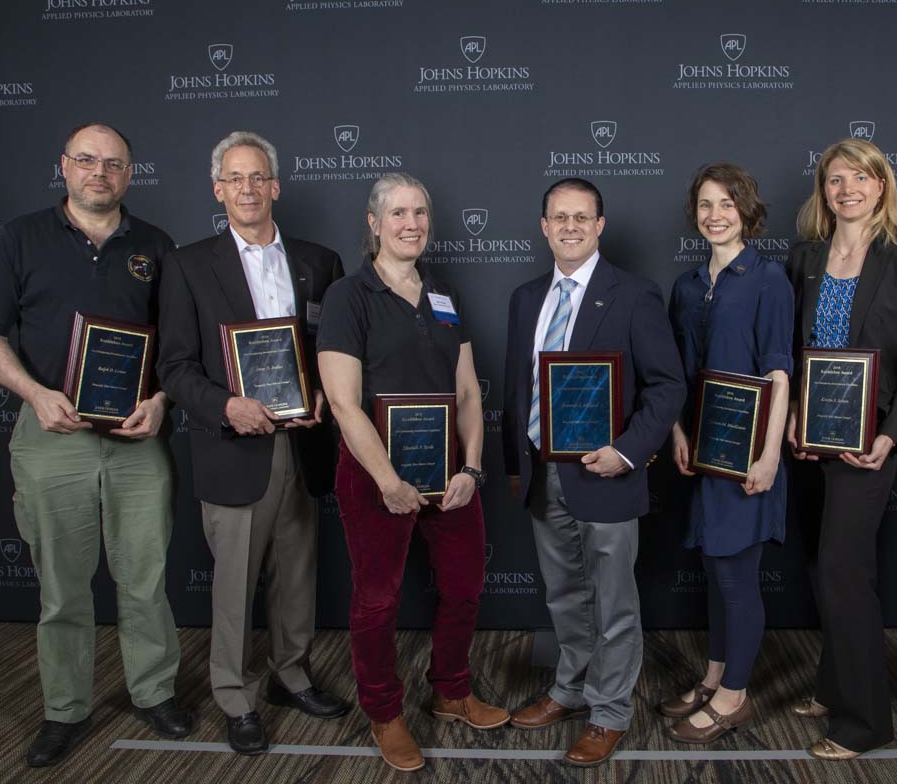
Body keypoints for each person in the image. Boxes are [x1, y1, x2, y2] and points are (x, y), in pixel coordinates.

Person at [0, 122, 192, 767]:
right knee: (62, 588)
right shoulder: (21, 238)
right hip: (51, 432)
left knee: (145, 579)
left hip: (135, 439)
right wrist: (35, 394)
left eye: (113, 164)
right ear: (64, 166)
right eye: (87, 161)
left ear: (129, 173)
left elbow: (179, 348)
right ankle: (65, 709)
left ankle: (153, 693)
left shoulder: (156, 245)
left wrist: (162, 401)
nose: (100, 173)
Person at [156, 131, 347, 756]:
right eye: (234, 178)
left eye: (257, 177)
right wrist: (227, 407)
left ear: (275, 186)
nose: (247, 188)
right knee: (233, 583)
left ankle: (290, 675)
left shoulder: (321, 261)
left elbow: (331, 351)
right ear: (218, 190)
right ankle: (234, 694)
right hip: (234, 447)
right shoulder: (187, 265)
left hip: (303, 443)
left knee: (297, 574)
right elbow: (176, 366)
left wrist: (323, 389)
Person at [317, 173, 509, 773]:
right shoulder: (349, 295)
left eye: (420, 213)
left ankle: (451, 691)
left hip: (449, 470)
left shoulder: (444, 294)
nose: (411, 224)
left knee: (463, 588)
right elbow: (344, 402)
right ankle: (384, 712)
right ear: (373, 223)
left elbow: (470, 391)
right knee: (378, 600)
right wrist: (387, 481)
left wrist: (473, 468)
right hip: (377, 473)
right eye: (397, 213)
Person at [503, 178, 686, 766]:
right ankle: (570, 689)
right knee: (564, 596)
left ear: (601, 225)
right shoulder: (526, 297)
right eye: (560, 217)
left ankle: (609, 712)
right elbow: (517, 387)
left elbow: (667, 386)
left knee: (613, 601)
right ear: (544, 226)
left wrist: (627, 452)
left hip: (605, 471)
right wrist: (517, 463)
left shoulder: (634, 295)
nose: (571, 226)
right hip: (542, 471)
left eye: (582, 217)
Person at [785, 139, 897, 759]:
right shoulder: (806, 257)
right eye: (835, 179)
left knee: (847, 572)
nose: (847, 189)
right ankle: (833, 684)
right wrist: (791, 414)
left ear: (882, 187)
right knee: (824, 568)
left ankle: (866, 721)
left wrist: (892, 434)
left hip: (867, 442)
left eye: (860, 178)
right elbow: (791, 353)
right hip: (809, 438)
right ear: (823, 190)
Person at [658, 164, 793, 743]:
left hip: (748, 453)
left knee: (737, 576)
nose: (715, 215)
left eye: (727, 204)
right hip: (701, 448)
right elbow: (673, 376)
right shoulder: (687, 286)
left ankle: (735, 695)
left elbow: (779, 374)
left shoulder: (769, 279)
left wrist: (768, 458)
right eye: (706, 204)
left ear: (747, 211)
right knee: (715, 572)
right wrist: (677, 432)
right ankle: (715, 675)